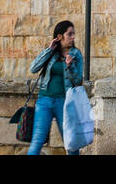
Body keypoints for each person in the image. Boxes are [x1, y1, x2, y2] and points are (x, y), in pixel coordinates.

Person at [26, 20, 85, 155]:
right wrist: (49, 49)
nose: (73, 37)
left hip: (64, 102)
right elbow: (33, 68)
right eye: (69, 34)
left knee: (70, 143)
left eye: (73, 34)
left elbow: (78, 81)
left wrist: (70, 66)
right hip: (44, 100)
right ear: (59, 36)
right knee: (37, 141)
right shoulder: (52, 52)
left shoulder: (76, 54)